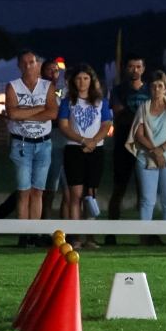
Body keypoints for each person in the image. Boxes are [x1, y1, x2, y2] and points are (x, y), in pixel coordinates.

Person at [4, 49, 58, 247]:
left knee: (38, 191)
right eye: (24, 63)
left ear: (38, 64)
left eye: (32, 62)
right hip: (22, 143)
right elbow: (11, 113)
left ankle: (34, 232)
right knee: (23, 191)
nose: (28, 65)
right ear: (19, 66)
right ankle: (23, 233)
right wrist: (39, 109)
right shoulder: (13, 86)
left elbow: (52, 113)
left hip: (43, 143)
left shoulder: (47, 86)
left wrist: (23, 112)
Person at [126, 70, 166, 243]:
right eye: (153, 86)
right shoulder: (143, 108)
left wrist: (162, 149)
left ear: (165, 88)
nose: (156, 90)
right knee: (147, 200)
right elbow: (139, 134)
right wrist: (155, 151)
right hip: (146, 158)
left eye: (160, 86)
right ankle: (145, 236)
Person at [56, 64, 111, 250]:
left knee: (90, 195)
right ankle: (75, 236)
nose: (82, 82)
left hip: (96, 150)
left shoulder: (100, 102)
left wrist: (93, 141)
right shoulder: (67, 102)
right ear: (73, 81)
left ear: (91, 80)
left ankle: (91, 237)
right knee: (75, 195)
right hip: (74, 149)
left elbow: (106, 124)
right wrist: (82, 140)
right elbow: (63, 126)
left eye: (86, 78)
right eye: (79, 78)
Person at [107, 55, 150, 243]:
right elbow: (119, 114)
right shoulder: (118, 90)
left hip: (145, 147)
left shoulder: (150, 90)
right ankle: (111, 233)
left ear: (143, 69)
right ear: (126, 69)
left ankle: (145, 234)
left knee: (145, 192)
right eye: (131, 66)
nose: (134, 70)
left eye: (138, 66)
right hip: (123, 145)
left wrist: (132, 117)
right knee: (119, 189)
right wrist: (143, 120)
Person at [41, 59, 70, 222]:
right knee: (49, 190)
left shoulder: (61, 93)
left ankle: (66, 231)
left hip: (67, 145)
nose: (54, 74)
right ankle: (44, 229)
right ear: (42, 73)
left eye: (56, 71)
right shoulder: (40, 93)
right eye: (50, 71)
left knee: (68, 191)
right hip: (50, 146)